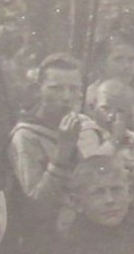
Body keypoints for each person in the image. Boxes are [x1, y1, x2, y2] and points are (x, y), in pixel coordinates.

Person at [6, 53, 87, 231]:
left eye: (73, 89)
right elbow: (37, 204)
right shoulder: (25, 136)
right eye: (56, 88)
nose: (66, 97)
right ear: (38, 89)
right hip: (46, 230)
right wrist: (62, 153)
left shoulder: (77, 123)